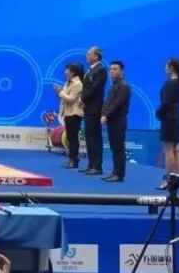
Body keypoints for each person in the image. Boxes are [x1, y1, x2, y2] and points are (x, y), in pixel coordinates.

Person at [156, 57, 179, 189]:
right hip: (178, 116)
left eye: (166, 65)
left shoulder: (169, 84)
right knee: (177, 149)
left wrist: (158, 113)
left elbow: (165, 103)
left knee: (168, 151)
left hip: (169, 118)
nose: (165, 68)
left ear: (172, 68)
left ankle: (168, 180)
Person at [100, 60, 131, 183]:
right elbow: (108, 102)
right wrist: (103, 113)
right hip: (111, 120)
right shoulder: (114, 85)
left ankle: (119, 174)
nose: (112, 71)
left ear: (121, 70)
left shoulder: (124, 86)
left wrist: (106, 115)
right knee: (114, 147)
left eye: (115, 69)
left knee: (118, 148)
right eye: (111, 69)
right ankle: (114, 171)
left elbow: (117, 104)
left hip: (118, 119)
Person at [80, 46, 107, 175]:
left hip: (95, 108)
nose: (87, 56)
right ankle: (91, 164)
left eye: (89, 54)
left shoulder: (100, 70)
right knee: (89, 137)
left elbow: (94, 88)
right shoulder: (90, 70)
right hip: (88, 108)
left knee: (95, 137)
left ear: (96, 56)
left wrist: (81, 99)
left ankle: (97, 165)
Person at [53, 63, 84, 170]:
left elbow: (71, 99)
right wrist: (59, 93)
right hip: (68, 113)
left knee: (73, 138)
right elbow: (64, 97)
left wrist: (60, 92)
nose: (65, 72)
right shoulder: (68, 82)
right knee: (70, 138)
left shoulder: (77, 84)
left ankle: (74, 160)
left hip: (75, 113)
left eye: (67, 70)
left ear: (73, 72)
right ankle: (71, 158)